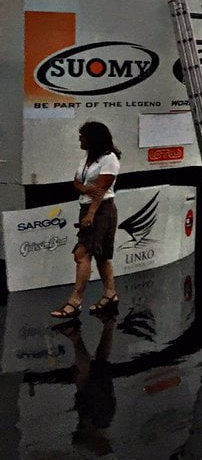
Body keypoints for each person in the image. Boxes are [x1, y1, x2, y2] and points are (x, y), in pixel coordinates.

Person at [51, 122, 121, 319]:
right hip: (86, 208)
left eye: (82, 136)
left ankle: (75, 301)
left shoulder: (110, 159)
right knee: (101, 256)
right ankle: (110, 294)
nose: (79, 139)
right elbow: (77, 183)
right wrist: (84, 189)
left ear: (93, 138)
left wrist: (90, 215)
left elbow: (99, 192)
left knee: (81, 254)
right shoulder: (88, 157)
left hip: (101, 210)